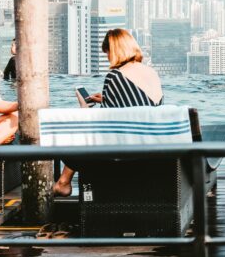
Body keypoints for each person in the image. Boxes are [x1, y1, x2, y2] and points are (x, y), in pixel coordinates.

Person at [53, 28, 163, 196]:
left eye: (107, 53)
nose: (107, 58)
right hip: (153, 146)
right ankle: (63, 181)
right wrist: (105, 98)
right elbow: (142, 106)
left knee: (79, 131)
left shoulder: (115, 76)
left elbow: (102, 124)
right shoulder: (152, 72)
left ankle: (63, 182)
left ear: (115, 50)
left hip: (125, 152)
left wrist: (84, 108)